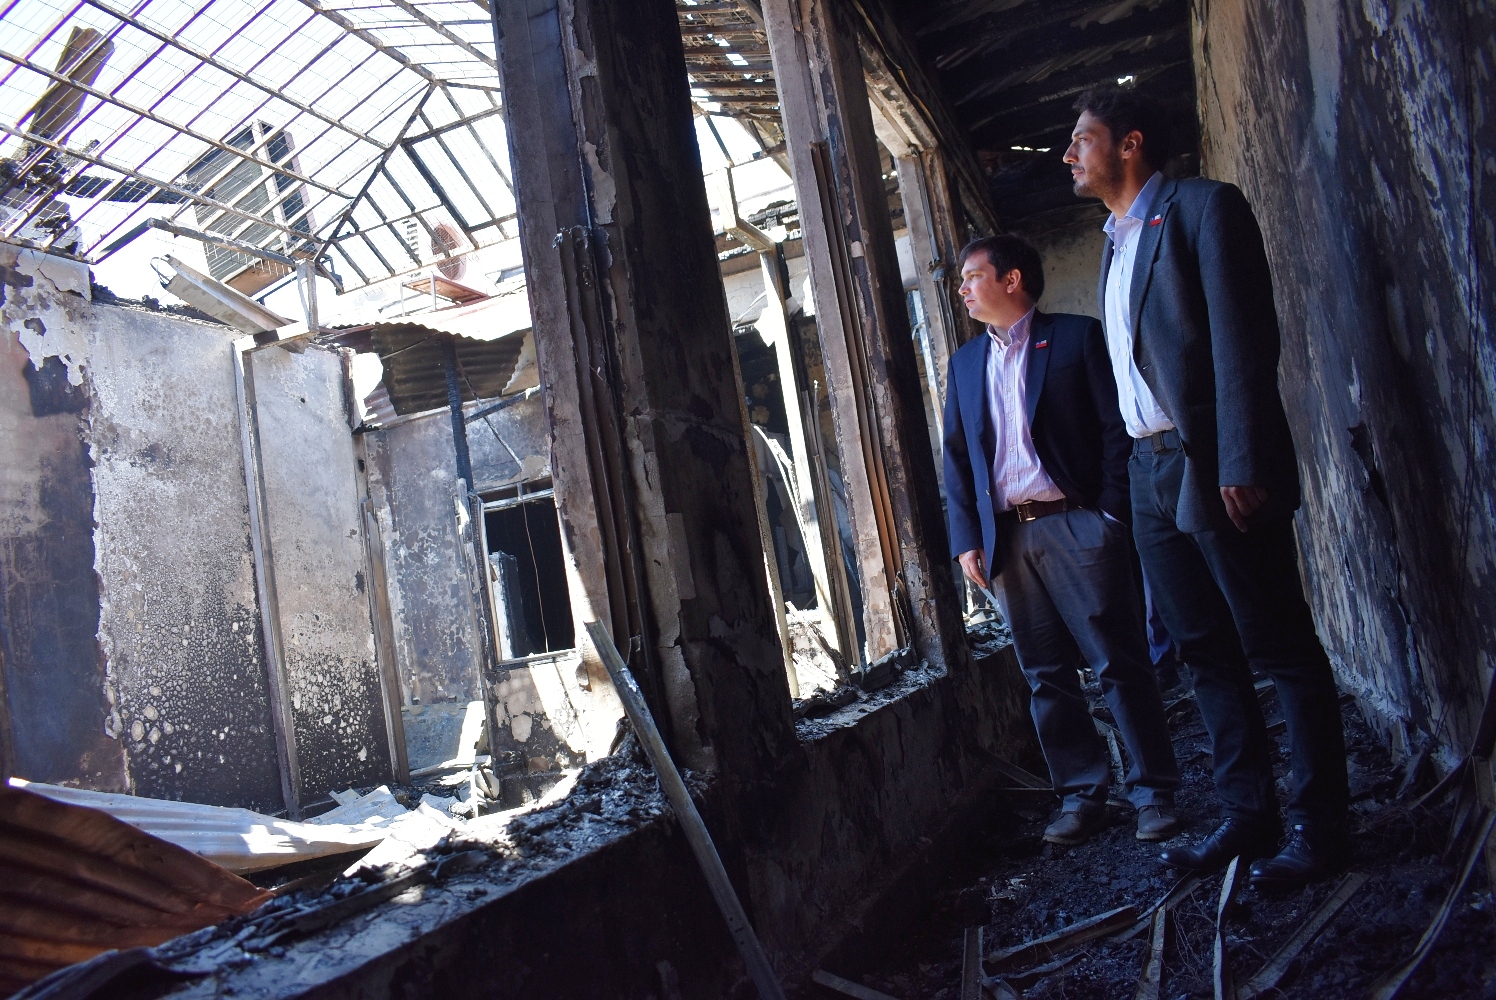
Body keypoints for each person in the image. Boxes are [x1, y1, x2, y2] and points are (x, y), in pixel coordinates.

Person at [1064, 85, 1350, 889]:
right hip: (1150, 469)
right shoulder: (1114, 244)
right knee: (1201, 650)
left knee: (1278, 644)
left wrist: (1240, 459)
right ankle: (1248, 814)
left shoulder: (1202, 209)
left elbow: (1243, 340)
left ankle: (1322, 825)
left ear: (1131, 143)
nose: (1068, 154)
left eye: (1083, 138)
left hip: (1211, 460)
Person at [943, 234, 1181, 846]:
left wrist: (1110, 517)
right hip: (1007, 539)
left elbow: (1115, 429)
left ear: (1012, 279)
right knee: (1045, 674)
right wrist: (967, 539)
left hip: (1078, 525)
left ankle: (1154, 792)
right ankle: (1082, 795)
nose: (962, 288)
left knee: (1118, 662)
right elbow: (957, 458)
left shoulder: (1075, 337)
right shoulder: (965, 364)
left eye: (972, 276)